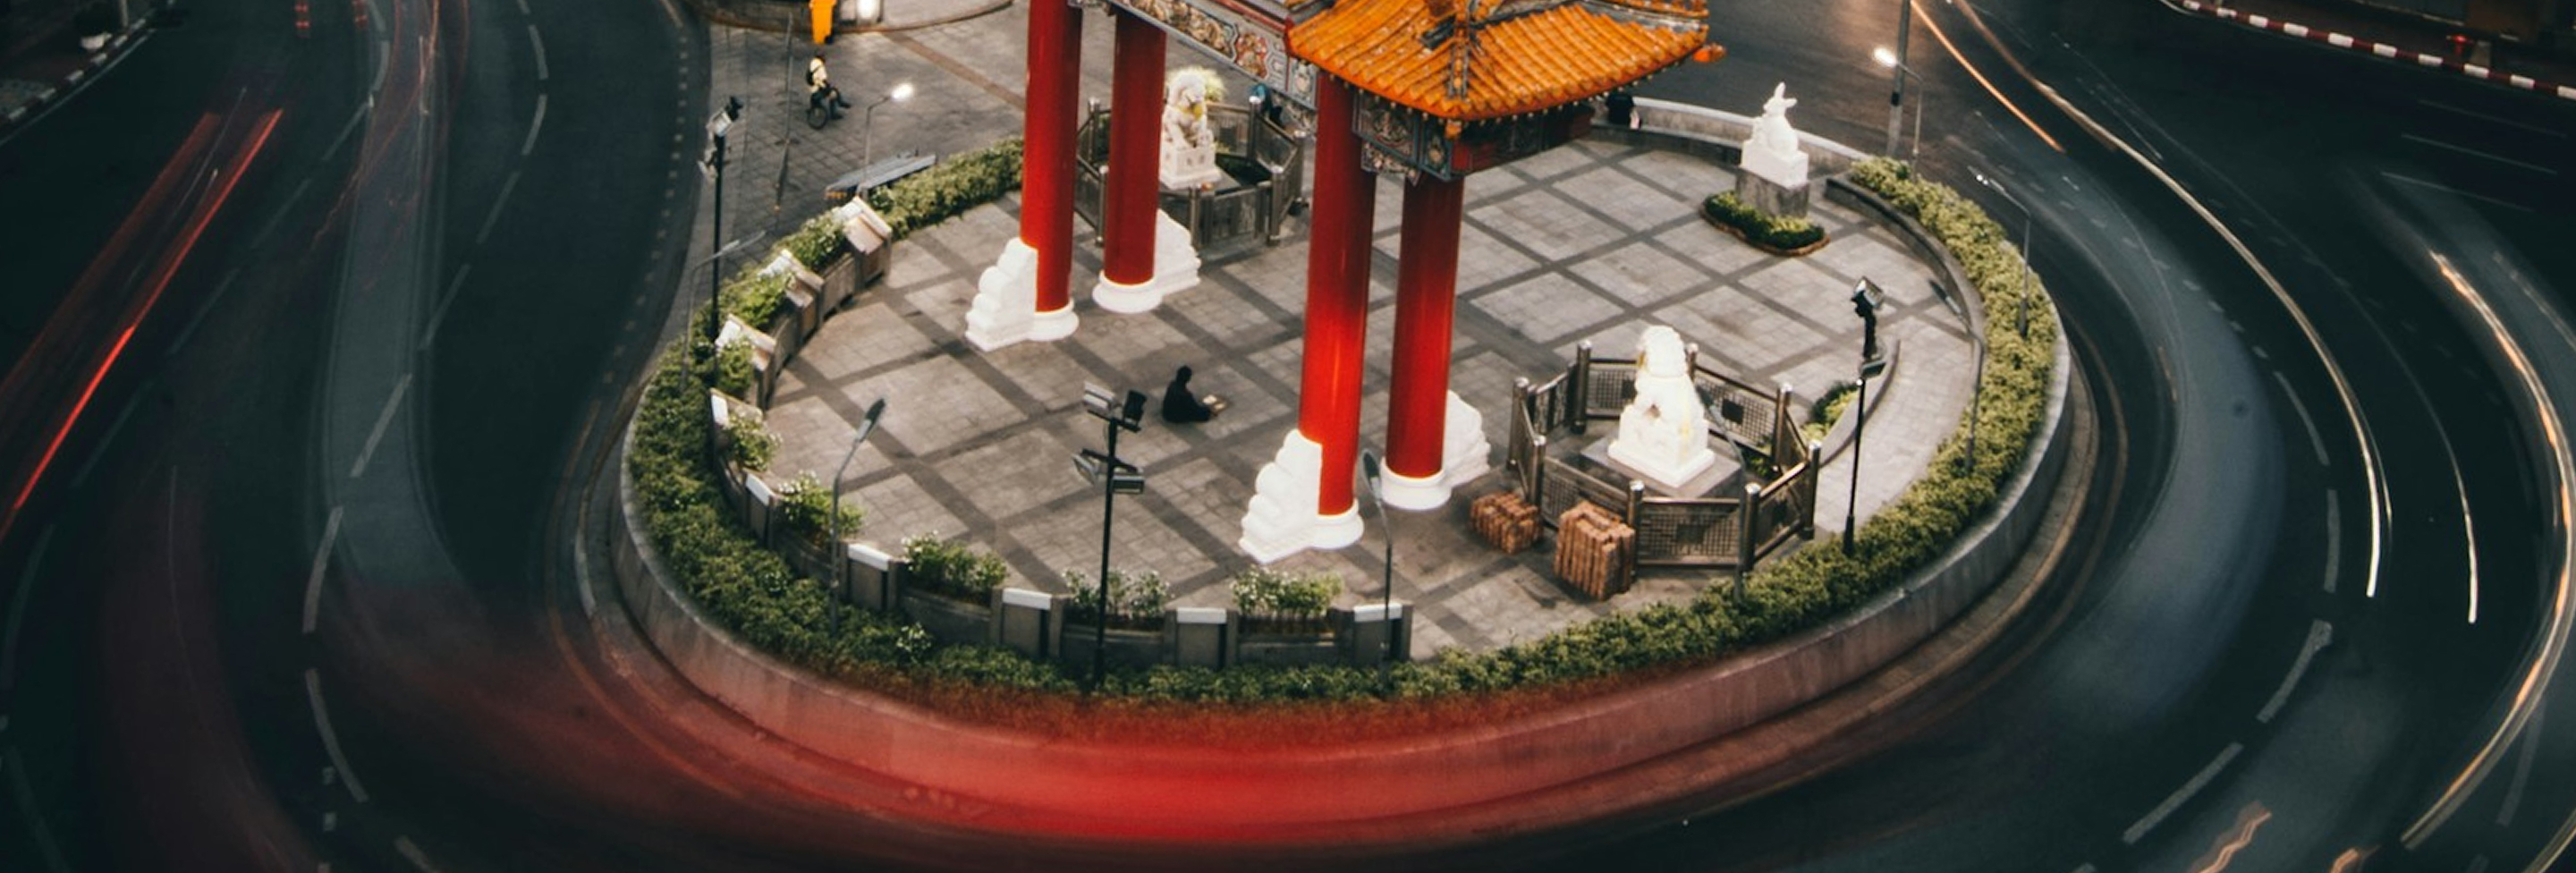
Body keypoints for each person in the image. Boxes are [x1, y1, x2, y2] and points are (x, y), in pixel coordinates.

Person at [1160, 366, 1224, 424]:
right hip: (1175, 417)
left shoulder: (1171, 385)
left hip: (1166, 413)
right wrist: (1207, 410)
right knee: (1202, 413)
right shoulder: (1186, 395)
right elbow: (1195, 409)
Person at [807, 52, 852, 119]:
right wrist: (828, 87)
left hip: (811, 87)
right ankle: (834, 112)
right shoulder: (820, 68)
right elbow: (823, 81)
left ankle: (813, 108)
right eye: (824, 57)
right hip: (817, 89)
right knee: (834, 94)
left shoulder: (813, 62)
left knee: (832, 90)